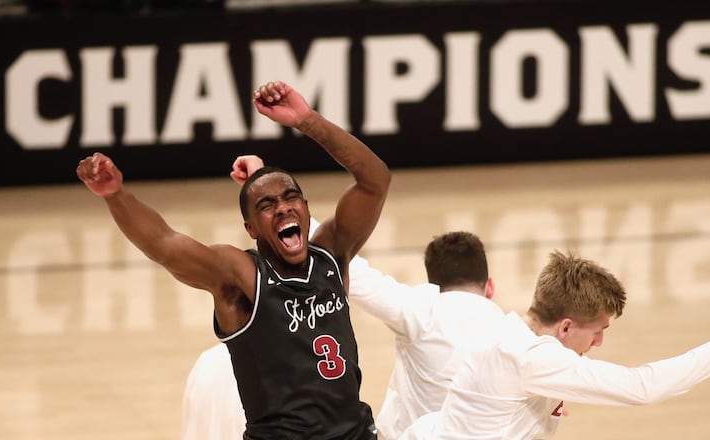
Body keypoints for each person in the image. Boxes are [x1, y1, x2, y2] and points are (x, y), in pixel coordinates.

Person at [77, 80, 391, 440]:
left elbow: (375, 181)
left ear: (306, 209)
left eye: (291, 198)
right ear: (251, 228)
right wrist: (115, 195)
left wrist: (307, 120)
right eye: (267, 205)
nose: (284, 207)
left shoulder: (331, 255)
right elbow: (164, 244)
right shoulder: (242, 276)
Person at [180, 155, 505, 440]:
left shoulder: (415, 309)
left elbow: (326, 252)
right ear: (489, 288)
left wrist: (265, 193)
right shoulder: (512, 337)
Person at [401, 250, 710, 440]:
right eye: (597, 330)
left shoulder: (509, 329)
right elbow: (640, 387)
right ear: (565, 326)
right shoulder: (531, 358)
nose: (600, 341)